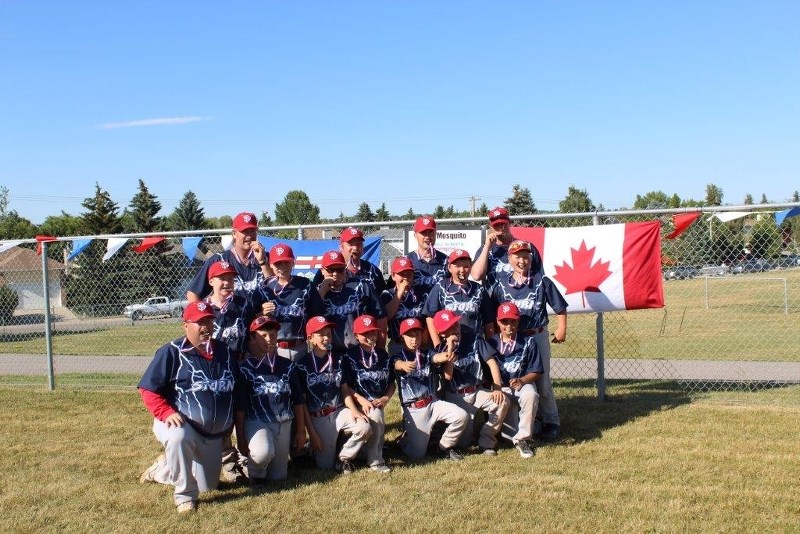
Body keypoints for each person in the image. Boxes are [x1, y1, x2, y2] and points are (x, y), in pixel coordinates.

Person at [138, 302, 238, 514]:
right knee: (178, 438)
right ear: (185, 325)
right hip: (181, 422)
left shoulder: (225, 352)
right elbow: (148, 389)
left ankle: (162, 470)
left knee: (209, 486)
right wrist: (166, 412)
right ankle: (184, 497)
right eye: (200, 322)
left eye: (210, 321)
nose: (206, 326)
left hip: (212, 434)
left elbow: (235, 390)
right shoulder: (171, 352)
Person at [489, 239, 567, 441]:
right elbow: (491, 313)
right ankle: (526, 421)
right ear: (510, 259)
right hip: (512, 339)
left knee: (542, 381)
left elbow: (559, 306)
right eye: (517, 256)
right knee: (515, 381)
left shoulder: (541, 280)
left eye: (526, 256)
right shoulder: (502, 283)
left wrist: (561, 328)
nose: (522, 260)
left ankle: (552, 421)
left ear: (531, 258)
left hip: (536, 334)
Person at [234, 316, 307, 488]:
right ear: (252, 338)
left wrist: (301, 430)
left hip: (284, 423)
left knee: (278, 477)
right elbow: (240, 407)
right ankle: (254, 471)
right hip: (258, 421)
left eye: (273, 335)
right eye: (263, 335)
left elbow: (298, 400)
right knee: (262, 454)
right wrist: (241, 438)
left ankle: (265, 459)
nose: (269, 339)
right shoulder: (245, 368)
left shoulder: (287, 365)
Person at [295, 316, 372, 474]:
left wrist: (354, 411)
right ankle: (317, 448)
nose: (326, 337)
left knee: (364, 427)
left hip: (339, 410)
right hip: (318, 416)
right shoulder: (302, 364)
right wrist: (311, 433)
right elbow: (302, 402)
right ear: (310, 338)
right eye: (321, 334)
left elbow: (344, 390)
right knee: (324, 466)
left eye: (329, 334)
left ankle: (344, 457)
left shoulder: (338, 359)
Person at [391, 318, 468, 461]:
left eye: (417, 335)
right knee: (418, 455)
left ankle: (443, 447)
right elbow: (396, 364)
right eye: (410, 336)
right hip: (415, 409)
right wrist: (402, 365)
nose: (414, 339)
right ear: (402, 337)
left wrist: (449, 348)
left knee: (461, 415)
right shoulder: (398, 356)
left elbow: (438, 358)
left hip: (433, 402)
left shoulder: (426, 353)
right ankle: (403, 441)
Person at [433, 310, 509, 455]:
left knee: (502, 401)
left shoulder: (474, 339)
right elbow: (447, 377)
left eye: (456, 324)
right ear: (442, 333)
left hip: (477, 390)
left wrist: (498, 388)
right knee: (464, 443)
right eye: (450, 327)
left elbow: (492, 362)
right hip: (457, 396)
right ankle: (444, 444)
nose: (455, 328)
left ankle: (486, 442)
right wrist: (450, 349)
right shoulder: (440, 350)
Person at [487, 302, 543, 458]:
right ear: (498, 322)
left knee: (531, 394)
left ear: (518, 321)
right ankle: (504, 434)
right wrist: (496, 386)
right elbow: (486, 371)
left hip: (521, 384)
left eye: (513, 321)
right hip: (501, 387)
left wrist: (523, 380)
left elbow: (537, 370)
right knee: (508, 436)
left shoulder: (529, 341)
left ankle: (523, 438)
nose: (509, 325)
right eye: (504, 321)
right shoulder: (491, 342)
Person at [342, 315, 395, 473]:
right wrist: (362, 400)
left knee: (377, 419)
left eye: (373, 332)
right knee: (375, 419)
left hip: (377, 401)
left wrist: (386, 398)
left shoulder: (383, 355)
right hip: (357, 402)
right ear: (356, 335)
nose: (370, 336)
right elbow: (346, 387)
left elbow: (391, 383)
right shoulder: (349, 356)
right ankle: (370, 459)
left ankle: (373, 458)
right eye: (365, 333)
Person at [186, 211, 272, 302]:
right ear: (234, 234)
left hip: (261, 315)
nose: (249, 236)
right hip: (230, 315)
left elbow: (277, 289)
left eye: (252, 231)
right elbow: (192, 294)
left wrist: (263, 262)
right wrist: (202, 314)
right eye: (245, 231)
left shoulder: (266, 257)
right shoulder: (219, 260)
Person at [311, 250, 387, 353]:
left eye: (340, 270)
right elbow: (312, 320)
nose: (335, 274)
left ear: (345, 268)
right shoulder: (316, 291)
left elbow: (380, 316)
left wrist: (381, 347)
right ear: (322, 270)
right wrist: (322, 293)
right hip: (330, 351)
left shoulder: (362, 286)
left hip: (360, 349)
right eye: (330, 270)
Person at [257, 243, 319, 361]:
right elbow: (252, 319)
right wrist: (261, 313)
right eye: (278, 263)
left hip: (300, 346)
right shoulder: (264, 288)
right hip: (274, 347)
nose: (282, 267)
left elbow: (317, 314)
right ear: (271, 264)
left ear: (293, 262)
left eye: (286, 262)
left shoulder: (305, 284)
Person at [422, 249, 494, 346]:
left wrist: (490, 347)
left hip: (474, 346)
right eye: (457, 266)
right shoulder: (441, 287)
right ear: (449, 267)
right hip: (449, 346)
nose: (462, 270)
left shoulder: (479, 289)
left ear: (471, 266)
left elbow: (488, 322)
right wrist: (437, 345)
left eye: (466, 266)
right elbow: (430, 316)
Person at [471, 206, 545, 288]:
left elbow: (540, 278)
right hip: (495, 299)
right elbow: (476, 276)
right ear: (490, 227)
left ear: (509, 223)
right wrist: (487, 248)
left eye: (503, 224)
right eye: (496, 225)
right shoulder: (485, 250)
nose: (500, 228)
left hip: (523, 296)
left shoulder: (526, 247)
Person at [313, 227, 387, 294]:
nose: (355, 248)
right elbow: (313, 299)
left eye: (358, 244)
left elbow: (383, 299)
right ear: (341, 247)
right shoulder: (328, 270)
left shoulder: (372, 271)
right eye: (350, 244)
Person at [380, 256, 428, 355]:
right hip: (398, 344)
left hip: (419, 343)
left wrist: (424, 337)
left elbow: (427, 318)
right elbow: (388, 315)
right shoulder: (387, 294)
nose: (406, 278)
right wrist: (400, 292)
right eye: (402, 274)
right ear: (393, 276)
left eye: (409, 274)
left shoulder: (421, 294)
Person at [407, 215, 448, 303]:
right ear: (415, 235)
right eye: (423, 232)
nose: (427, 236)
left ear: (435, 233)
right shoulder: (407, 261)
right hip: (414, 312)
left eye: (431, 232)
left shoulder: (446, 261)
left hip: (438, 312)